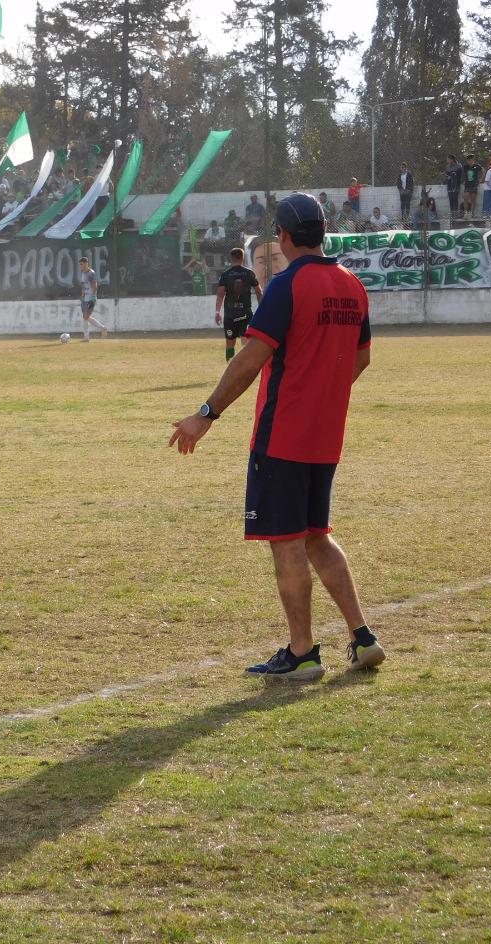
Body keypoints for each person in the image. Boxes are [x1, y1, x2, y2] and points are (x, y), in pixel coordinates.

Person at [168, 193, 382, 680]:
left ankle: (302, 652)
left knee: (286, 542)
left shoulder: (288, 286)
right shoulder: (352, 285)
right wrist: (324, 393)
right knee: (316, 536)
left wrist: (205, 414)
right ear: (322, 232)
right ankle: (361, 635)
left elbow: (250, 360)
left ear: (282, 237)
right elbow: (362, 357)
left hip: (283, 436)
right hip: (326, 437)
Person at [214, 247, 262, 362]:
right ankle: (245, 368)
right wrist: (262, 308)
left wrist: (217, 312)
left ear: (231, 259)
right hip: (245, 313)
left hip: (230, 314)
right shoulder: (249, 273)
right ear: (243, 258)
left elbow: (220, 294)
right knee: (245, 343)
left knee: (230, 343)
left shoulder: (225, 275)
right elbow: (259, 291)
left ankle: (230, 368)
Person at [77, 256, 109, 341]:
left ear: (86, 263)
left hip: (91, 297)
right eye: (80, 264)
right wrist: (82, 294)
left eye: (82, 264)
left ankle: (101, 328)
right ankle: (87, 336)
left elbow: (94, 285)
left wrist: (93, 296)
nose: (81, 266)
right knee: (85, 317)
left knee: (86, 316)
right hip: (84, 298)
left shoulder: (91, 273)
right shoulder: (83, 272)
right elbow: (83, 284)